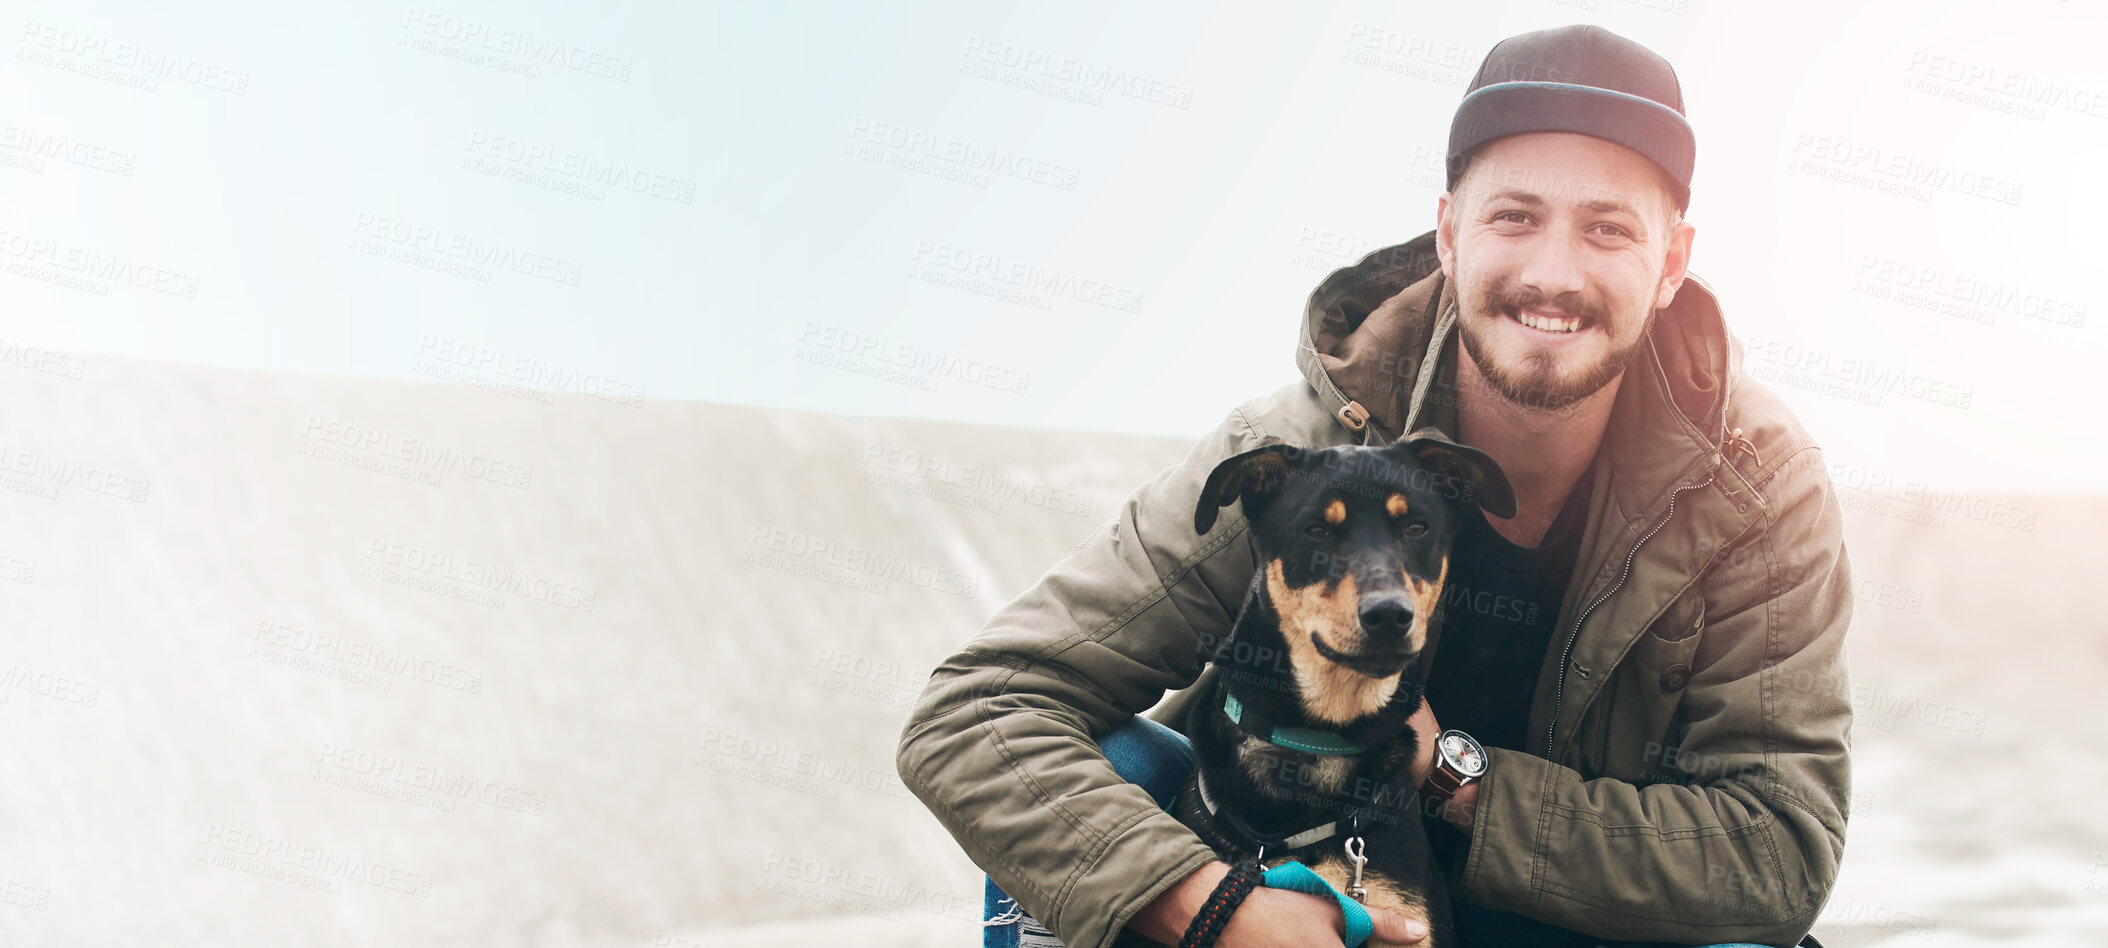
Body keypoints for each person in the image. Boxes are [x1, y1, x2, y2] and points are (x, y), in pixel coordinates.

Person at [897, 24, 1851, 948]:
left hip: (1574, 916)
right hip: (1282, 881)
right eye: (1515, 216)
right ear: (1447, 234)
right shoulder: (1298, 451)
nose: (1554, 274)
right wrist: (1212, 907)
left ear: (1672, 262)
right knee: (1110, 767)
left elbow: (1780, 851)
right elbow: (981, 709)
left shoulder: (1755, 487)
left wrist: (1459, 781)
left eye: (1608, 230)